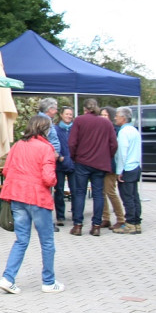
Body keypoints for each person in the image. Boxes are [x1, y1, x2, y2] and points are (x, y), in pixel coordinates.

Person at [0, 115, 65, 294]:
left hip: (17, 196)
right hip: (37, 198)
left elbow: (6, 170)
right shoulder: (46, 148)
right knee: (47, 241)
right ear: (46, 130)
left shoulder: (18, 145)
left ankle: (8, 278)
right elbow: (49, 178)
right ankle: (49, 281)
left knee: (21, 240)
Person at [67, 99, 117, 237]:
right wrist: (107, 156)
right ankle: (96, 226)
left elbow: (72, 142)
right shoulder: (106, 122)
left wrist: (74, 156)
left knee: (79, 193)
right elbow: (114, 144)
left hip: (82, 162)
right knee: (98, 194)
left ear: (84, 109)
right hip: (100, 163)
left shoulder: (79, 120)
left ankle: (77, 225)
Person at [112, 107, 143, 234]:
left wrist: (119, 171)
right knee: (135, 196)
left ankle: (130, 223)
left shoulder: (123, 132)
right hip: (135, 166)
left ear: (123, 118)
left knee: (127, 197)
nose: (115, 117)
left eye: (117, 115)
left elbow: (122, 153)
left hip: (127, 168)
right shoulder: (135, 131)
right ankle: (136, 222)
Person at [99, 106, 126, 231]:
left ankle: (120, 219)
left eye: (105, 115)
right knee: (101, 193)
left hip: (111, 165)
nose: (103, 117)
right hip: (101, 165)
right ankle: (106, 218)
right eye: (101, 115)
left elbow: (114, 149)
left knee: (110, 192)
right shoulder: (100, 129)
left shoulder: (116, 130)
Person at [54, 107, 75, 225]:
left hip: (73, 164)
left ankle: (76, 214)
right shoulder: (56, 129)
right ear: (61, 115)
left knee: (75, 191)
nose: (69, 116)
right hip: (59, 164)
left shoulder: (75, 129)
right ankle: (60, 216)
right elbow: (53, 144)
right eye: (67, 114)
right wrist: (60, 156)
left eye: (70, 114)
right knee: (59, 191)